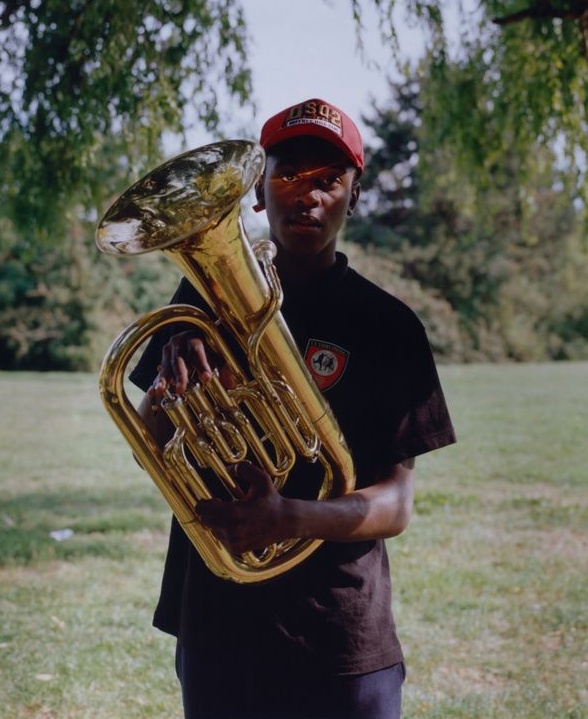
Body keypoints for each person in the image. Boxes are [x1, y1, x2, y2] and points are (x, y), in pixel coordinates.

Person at [130, 97, 456, 719]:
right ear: (258, 193)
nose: (308, 195)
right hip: (218, 617)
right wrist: (171, 390)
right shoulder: (197, 300)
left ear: (354, 196)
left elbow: (395, 503)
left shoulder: (389, 325)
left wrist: (289, 516)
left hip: (339, 631)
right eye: (287, 176)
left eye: (329, 180)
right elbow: (152, 446)